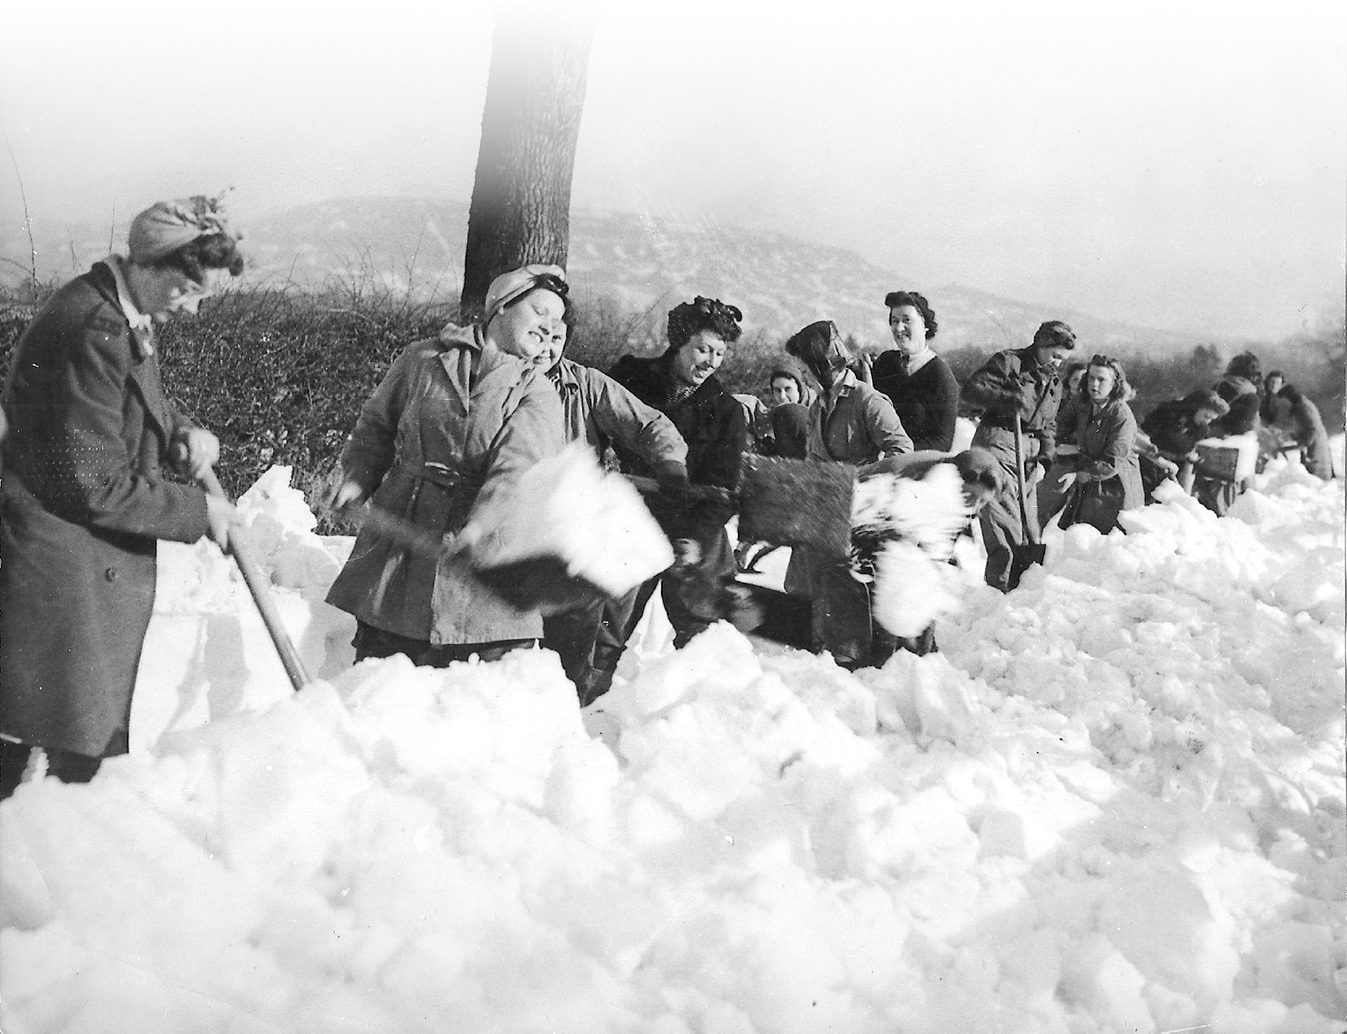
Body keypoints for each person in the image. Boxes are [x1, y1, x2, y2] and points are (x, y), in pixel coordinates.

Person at [0, 195, 245, 799]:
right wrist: (199, 511)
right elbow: (93, 482)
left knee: (67, 728)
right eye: (186, 290)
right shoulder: (96, 327)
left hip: (79, 562)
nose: (188, 309)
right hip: (58, 564)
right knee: (48, 737)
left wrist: (182, 431)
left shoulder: (118, 309)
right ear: (151, 263)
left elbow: (121, 407)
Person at [325, 264, 567, 666]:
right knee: (381, 680)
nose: (548, 327)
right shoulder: (420, 360)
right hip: (401, 542)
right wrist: (357, 480)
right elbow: (376, 427)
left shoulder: (537, 390)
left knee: (468, 698)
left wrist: (480, 525)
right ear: (502, 307)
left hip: (486, 562)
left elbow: (519, 470)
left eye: (557, 320)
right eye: (540, 310)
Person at [535, 300, 689, 704]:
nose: (546, 348)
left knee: (570, 643)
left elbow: (650, 424)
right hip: (511, 524)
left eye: (557, 337)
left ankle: (567, 714)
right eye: (539, 336)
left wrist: (669, 464)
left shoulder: (584, 385)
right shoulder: (494, 382)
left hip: (571, 530)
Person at [602, 296, 749, 661]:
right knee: (606, 622)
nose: (711, 362)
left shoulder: (727, 411)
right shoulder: (631, 377)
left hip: (693, 521)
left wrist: (696, 537)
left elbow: (723, 485)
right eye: (702, 349)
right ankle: (584, 698)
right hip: (630, 519)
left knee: (704, 628)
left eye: (720, 353)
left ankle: (702, 704)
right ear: (679, 342)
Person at [781, 319, 913, 669]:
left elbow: (902, 450)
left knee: (855, 592)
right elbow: (813, 456)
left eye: (805, 369)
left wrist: (867, 485)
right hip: (828, 505)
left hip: (863, 508)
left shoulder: (867, 401)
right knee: (807, 576)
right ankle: (821, 650)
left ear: (823, 364)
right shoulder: (817, 406)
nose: (803, 377)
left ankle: (857, 659)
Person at [962, 320, 1076, 592]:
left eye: (1062, 359)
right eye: (1054, 355)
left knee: (1029, 532)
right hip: (998, 444)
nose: (1057, 363)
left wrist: (1045, 461)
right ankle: (1000, 592)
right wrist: (1003, 398)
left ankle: (1021, 593)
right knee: (1005, 526)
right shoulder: (1010, 362)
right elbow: (972, 390)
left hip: (1029, 455)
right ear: (1041, 344)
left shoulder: (1054, 380)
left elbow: (1049, 425)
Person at [1055, 355, 1144, 534]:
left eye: (1101, 380)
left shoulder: (1122, 416)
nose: (1094, 385)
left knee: (1105, 540)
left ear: (1114, 384)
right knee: (1080, 534)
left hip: (1115, 485)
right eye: (1091, 378)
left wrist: (1079, 474)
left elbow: (1111, 462)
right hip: (1088, 478)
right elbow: (1058, 427)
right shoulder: (1082, 403)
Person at [870, 290, 960, 453]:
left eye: (907, 320)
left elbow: (942, 442)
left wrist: (897, 452)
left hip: (916, 466)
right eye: (894, 321)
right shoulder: (885, 363)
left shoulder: (940, 376)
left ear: (925, 325)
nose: (899, 328)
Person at [1137, 388, 1229, 498]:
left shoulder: (1202, 429)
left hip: (1173, 472)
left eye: (1211, 419)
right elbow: (1143, 435)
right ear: (1195, 408)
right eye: (1206, 416)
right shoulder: (1167, 412)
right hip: (1147, 462)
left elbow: (1190, 463)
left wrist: (1185, 495)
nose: (1207, 422)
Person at [1036, 361, 1088, 528]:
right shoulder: (1060, 405)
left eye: (1084, 379)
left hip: (1085, 464)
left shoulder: (1092, 408)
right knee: (1045, 507)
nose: (1080, 384)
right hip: (1062, 461)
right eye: (1075, 380)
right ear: (1069, 382)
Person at [1278, 383, 1333, 479]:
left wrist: (1303, 443)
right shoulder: (1300, 405)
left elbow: (1313, 429)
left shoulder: (1304, 406)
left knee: (1317, 474)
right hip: (1313, 440)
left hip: (1316, 442)